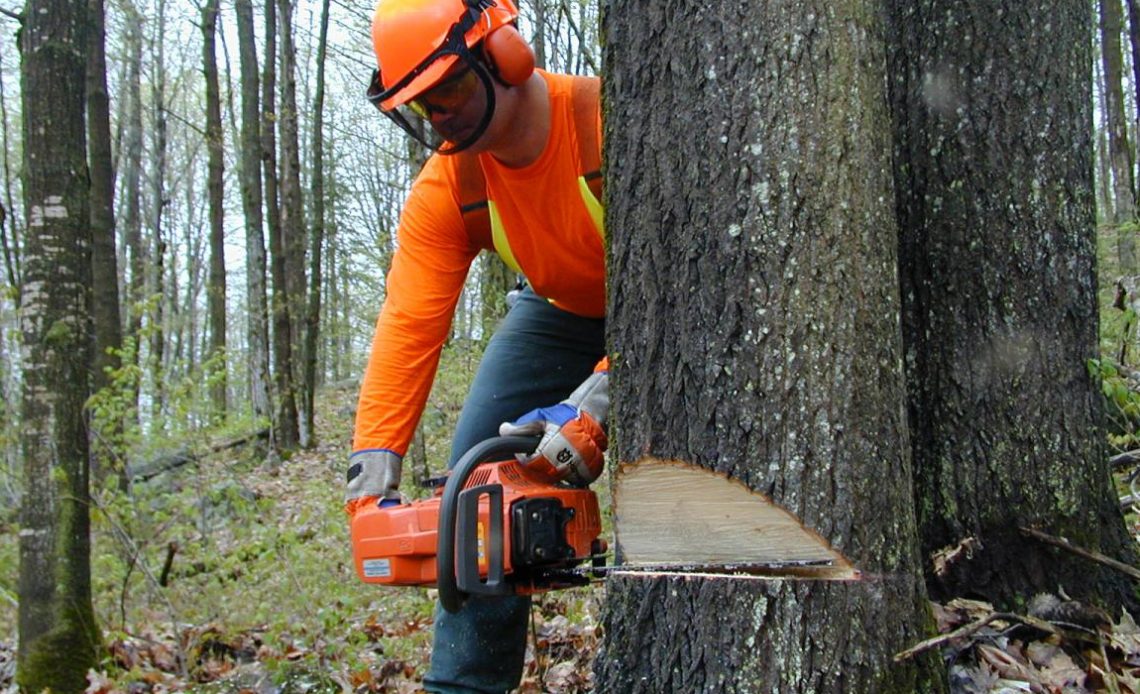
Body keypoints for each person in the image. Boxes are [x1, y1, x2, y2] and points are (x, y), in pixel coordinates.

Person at [344, 0, 609, 691]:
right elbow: (408, 323)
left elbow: (688, 282)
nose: (442, 117)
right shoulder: (452, 184)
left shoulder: (602, 123)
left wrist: (598, 404)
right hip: (558, 310)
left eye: (450, 89)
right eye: (422, 106)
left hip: (667, 304)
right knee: (478, 483)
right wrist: (372, 474)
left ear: (504, 54)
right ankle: (462, 683)